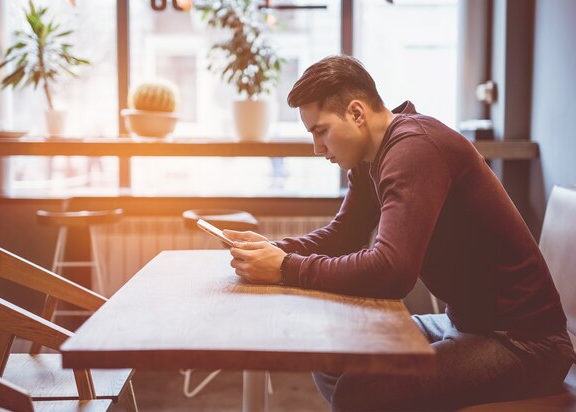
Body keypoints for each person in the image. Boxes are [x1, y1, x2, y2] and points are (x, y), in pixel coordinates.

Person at [223, 55, 576, 411]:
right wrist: (272, 250)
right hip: (465, 323)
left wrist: (286, 268)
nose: (317, 148)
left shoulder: (413, 149)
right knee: (331, 357)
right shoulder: (371, 159)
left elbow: (391, 271)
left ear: (357, 113)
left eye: (321, 131)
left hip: (523, 343)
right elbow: (343, 234)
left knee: (360, 393)